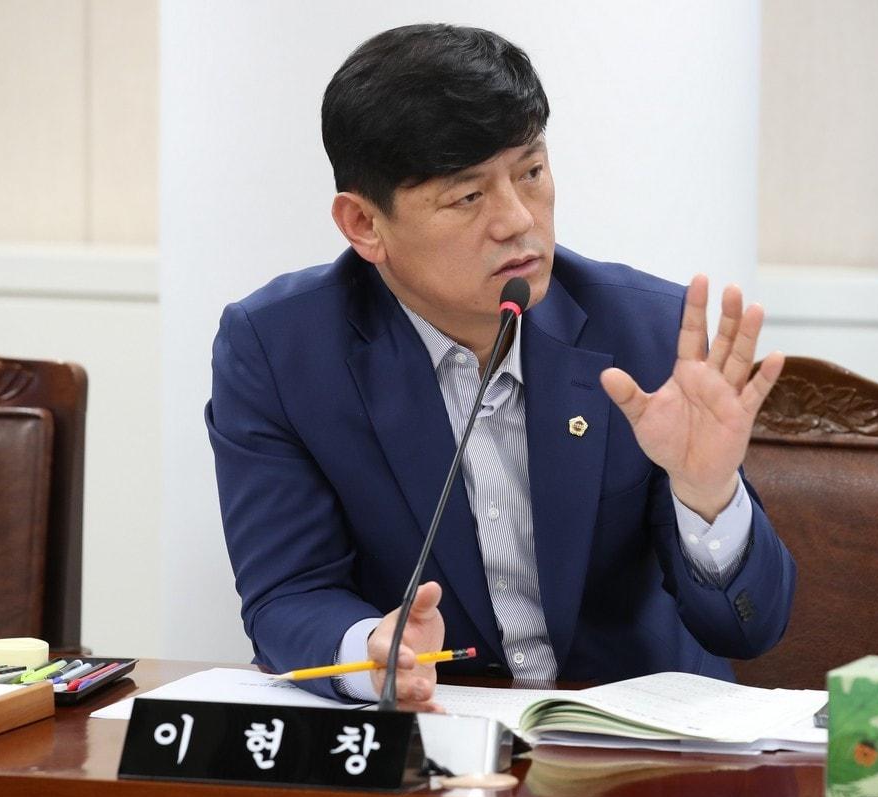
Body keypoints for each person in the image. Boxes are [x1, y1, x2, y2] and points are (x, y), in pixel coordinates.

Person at [206, 23, 795, 707]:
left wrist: (708, 494)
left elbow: (747, 629)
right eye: (467, 196)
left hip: (631, 739)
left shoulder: (649, 334)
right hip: (438, 735)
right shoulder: (280, 351)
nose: (518, 219)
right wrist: (371, 648)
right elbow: (288, 593)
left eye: (531, 173)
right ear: (365, 224)